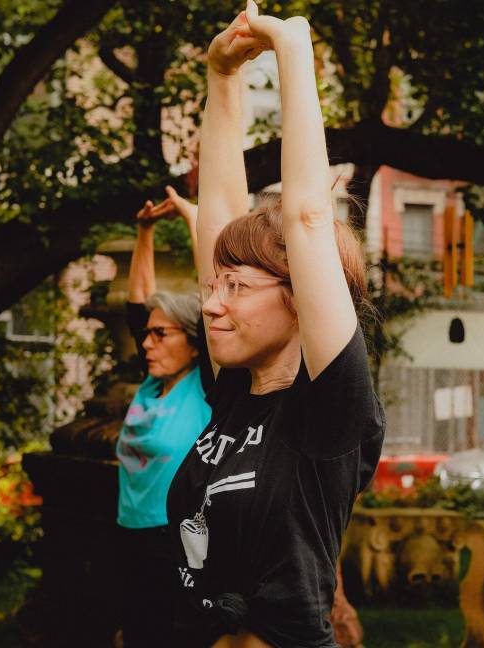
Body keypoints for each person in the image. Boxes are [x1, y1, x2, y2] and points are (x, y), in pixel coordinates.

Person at [166, 4, 385, 646]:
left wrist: (292, 49)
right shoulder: (235, 390)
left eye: (236, 288)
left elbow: (308, 218)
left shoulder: (329, 414)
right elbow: (220, 212)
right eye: (213, 287)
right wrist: (222, 77)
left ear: (300, 301)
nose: (211, 304)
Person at [116, 188, 212, 648]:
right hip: (129, 535)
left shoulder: (205, 386)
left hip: (174, 540)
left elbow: (213, 295)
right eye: (146, 336)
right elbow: (137, 307)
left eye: (160, 335)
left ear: (193, 343)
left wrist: (195, 220)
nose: (147, 343)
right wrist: (145, 231)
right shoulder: (151, 385)